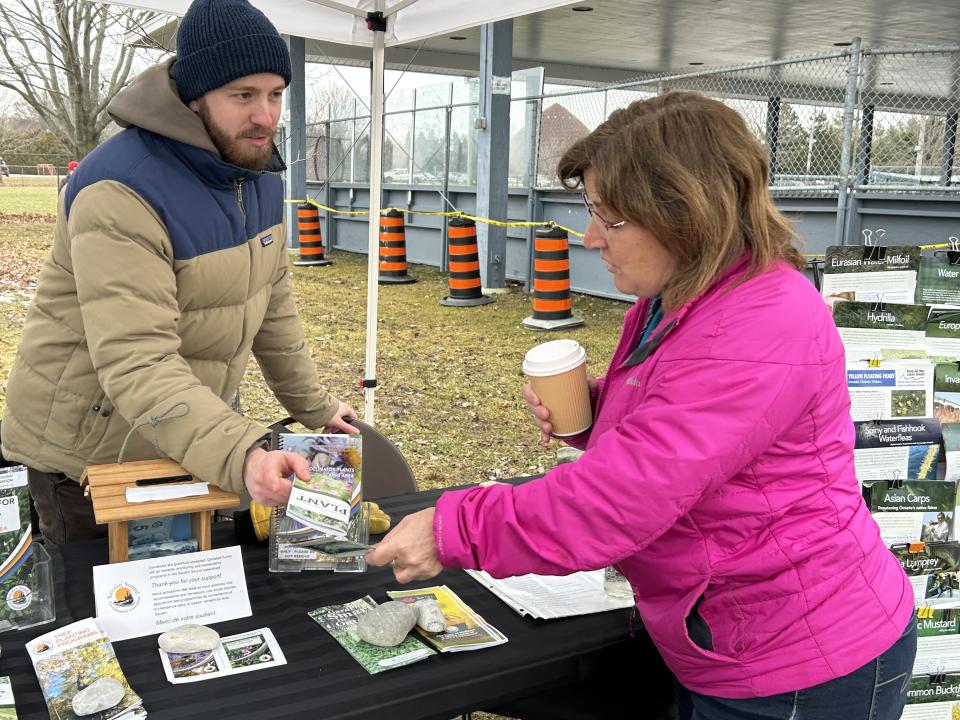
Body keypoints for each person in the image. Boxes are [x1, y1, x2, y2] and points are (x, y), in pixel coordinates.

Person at [367, 92, 916, 720]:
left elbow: (622, 499)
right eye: (590, 210)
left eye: (612, 217)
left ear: (685, 212)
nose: (592, 236)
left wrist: (455, 526)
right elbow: (687, 431)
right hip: (728, 631)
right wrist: (597, 413)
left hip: (798, 658)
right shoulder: (675, 299)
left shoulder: (762, 320)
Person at [0, 0, 358, 544]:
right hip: (86, 458)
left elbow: (271, 307)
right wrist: (241, 453)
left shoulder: (258, 176)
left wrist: (317, 407)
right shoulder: (121, 189)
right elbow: (136, 359)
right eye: (243, 95)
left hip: (182, 432)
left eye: (275, 94)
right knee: (104, 611)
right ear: (194, 97)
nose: (265, 115)